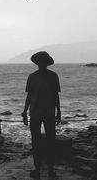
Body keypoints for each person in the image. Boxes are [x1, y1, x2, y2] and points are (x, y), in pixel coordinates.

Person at [21, 51, 61, 179]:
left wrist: (25, 111)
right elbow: (56, 96)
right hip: (46, 113)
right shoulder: (53, 76)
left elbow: (29, 96)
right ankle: (49, 169)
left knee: (36, 141)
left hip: (36, 113)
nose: (41, 64)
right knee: (50, 141)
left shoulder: (32, 77)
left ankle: (38, 169)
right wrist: (59, 111)